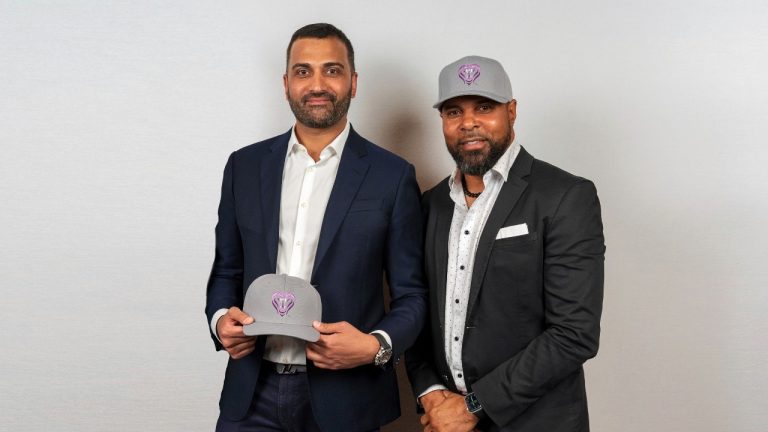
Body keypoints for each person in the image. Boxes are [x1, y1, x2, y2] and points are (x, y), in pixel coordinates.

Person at [205, 23, 427, 432]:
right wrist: (220, 319)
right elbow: (225, 271)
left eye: (332, 70)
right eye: (303, 71)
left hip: (348, 399)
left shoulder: (392, 177)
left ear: (353, 82)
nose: (317, 84)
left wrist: (375, 346)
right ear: (286, 83)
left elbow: (412, 295)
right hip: (251, 393)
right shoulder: (244, 166)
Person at [406, 55, 605, 432]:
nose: (468, 123)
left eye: (484, 107)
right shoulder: (430, 204)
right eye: (453, 112)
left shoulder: (564, 196)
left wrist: (472, 407)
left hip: (536, 423)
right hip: (443, 423)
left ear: (511, 111)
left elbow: (574, 334)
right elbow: (416, 307)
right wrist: (430, 390)